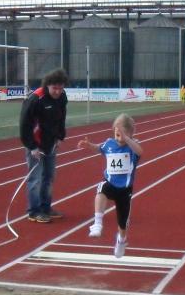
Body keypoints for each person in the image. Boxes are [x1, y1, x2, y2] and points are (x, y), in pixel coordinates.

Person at [78, 114, 143, 258]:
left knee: (122, 223)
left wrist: (127, 139)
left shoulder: (133, 146)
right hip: (110, 183)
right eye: (116, 134)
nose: (118, 137)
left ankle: (121, 240)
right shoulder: (109, 143)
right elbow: (99, 148)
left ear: (130, 133)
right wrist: (89, 145)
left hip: (125, 189)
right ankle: (97, 223)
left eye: (122, 134)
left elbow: (140, 151)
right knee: (101, 189)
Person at [19, 68, 69, 223]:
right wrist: (32, 146)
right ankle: (34, 211)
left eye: (60, 88)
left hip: (51, 144)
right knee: (35, 179)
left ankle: (46, 207)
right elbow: (24, 125)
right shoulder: (35, 99)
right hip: (36, 144)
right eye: (55, 88)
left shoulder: (62, 97)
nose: (58, 92)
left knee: (49, 177)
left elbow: (62, 117)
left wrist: (60, 136)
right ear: (47, 85)